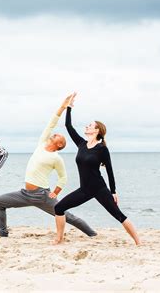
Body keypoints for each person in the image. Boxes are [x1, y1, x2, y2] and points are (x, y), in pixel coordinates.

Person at [0, 95, 97, 238]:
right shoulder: (41, 144)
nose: (54, 134)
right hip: (24, 194)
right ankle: (3, 233)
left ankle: (92, 234)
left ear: (59, 145)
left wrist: (56, 192)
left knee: (67, 215)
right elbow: (51, 124)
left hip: (42, 196)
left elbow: (63, 177)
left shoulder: (56, 158)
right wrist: (63, 106)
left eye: (57, 136)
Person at [54, 92, 140, 245]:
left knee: (118, 215)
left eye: (90, 125)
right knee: (59, 207)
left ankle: (139, 242)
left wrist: (113, 191)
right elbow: (68, 126)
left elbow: (109, 171)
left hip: (99, 189)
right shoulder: (81, 144)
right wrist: (69, 107)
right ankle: (59, 239)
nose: (87, 126)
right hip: (84, 190)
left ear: (96, 131)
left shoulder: (101, 149)